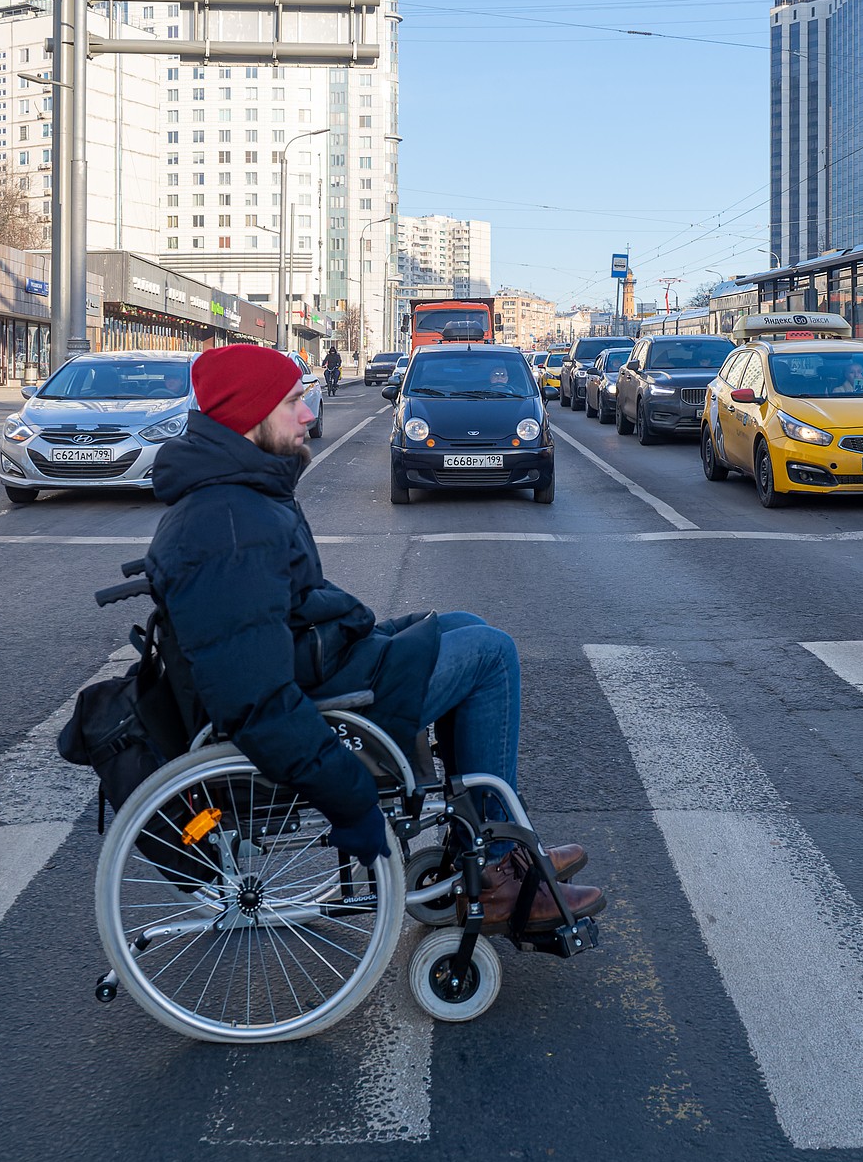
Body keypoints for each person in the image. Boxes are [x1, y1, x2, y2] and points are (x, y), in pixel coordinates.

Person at [145, 345, 604, 931]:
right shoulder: (231, 521)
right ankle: (495, 873)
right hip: (323, 697)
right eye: (292, 403)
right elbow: (253, 697)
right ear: (248, 418)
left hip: (321, 662)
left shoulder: (237, 498)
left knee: (466, 625)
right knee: (493, 654)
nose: (310, 414)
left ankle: (488, 848)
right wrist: (348, 795)